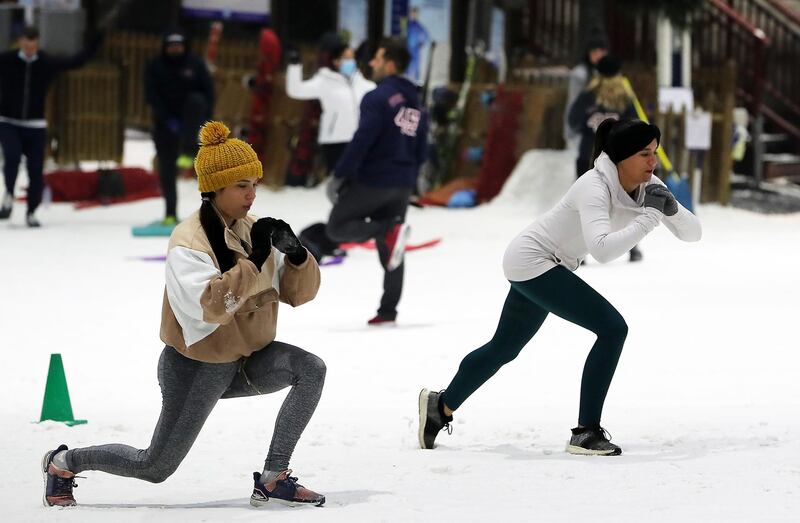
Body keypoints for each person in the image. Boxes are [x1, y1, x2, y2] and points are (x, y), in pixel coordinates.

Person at [42, 121, 327, 508]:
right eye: (241, 185)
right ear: (215, 188)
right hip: (197, 368)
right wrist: (255, 259)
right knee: (155, 466)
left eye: (254, 184)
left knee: (311, 368)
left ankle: (275, 477)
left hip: (246, 357)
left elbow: (300, 294)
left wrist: (297, 256)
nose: (252, 194)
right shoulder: (188, 242)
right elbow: (213, 309)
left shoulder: (254, 229)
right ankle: (63, 462)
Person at [419, 118, 701, 455]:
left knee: (504, 348)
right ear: (621, 157)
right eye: (644, 154)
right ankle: (586, 432)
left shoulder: (647, 185)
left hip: (549, 263)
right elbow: (603, 249)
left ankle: (441, 405)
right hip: (532, 260)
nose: (653, 162)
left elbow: (693, 233)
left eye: (655, 152)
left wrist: (670, 209)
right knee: (612, 329)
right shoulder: (593, 186)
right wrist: (651, 217)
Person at [325, 37, 428, 326]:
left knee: (336, 227)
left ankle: (385, 230)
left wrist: (341, 174)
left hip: (374, 179)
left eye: (377, 58)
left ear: (390, 64)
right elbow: (422, 146)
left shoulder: (377, 97)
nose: (371, 63)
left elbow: (363, 140)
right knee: (393, 247)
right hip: (404, 181)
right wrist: (411, 178)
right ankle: (388, 311)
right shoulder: (415, 100)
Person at [0, 25, 103, 227]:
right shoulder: (7, 60)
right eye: (25, 41)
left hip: (35, 124)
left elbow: (76, 62)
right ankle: (9, 194)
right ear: (20, 42)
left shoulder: (46, 63)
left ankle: (31, 211)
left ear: (37, 43)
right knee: (12, 157)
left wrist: (95, 40)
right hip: (8, 121)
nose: (29, 46)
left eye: (33, 42)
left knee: (36, 168)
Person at [569, 54, 641, 261]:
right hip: (617, 160)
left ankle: (578, 251)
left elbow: (573, 120)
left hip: (588, 156)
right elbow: (635, 125)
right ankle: (631, 247)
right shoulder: (625, 99)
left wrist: (588, 127)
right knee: (623, 203)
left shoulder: (587, 96)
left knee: (585, 205)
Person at [144, 29, 215, 229]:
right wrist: (167, 120)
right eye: (171, 46)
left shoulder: (195, 64)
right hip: (165, 124)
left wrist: (203, 122)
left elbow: (208, 93)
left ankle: (188, 151)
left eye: (179, 45)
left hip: (191, 124)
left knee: (196, 100)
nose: (175, 49)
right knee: (166, 170)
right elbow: (152, 96)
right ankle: (170, 213)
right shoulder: (155, 66)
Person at [285, 33, 376, 174]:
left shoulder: (363, 84)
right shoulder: (324, 81)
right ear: (336, 61)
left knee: (360, 183)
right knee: (340, 184)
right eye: (346, 58)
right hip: (335, 142)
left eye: (352, 57)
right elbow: (295, 90)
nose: (350, 61)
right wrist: (295, 65)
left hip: (360, 141)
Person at [563, 37, 608, 155]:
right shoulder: (580, 74)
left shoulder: (606, 73)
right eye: (594, 52)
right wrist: (571, 130)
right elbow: (573, 102)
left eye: (601, 52)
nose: (598, 56)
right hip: (581, 131)